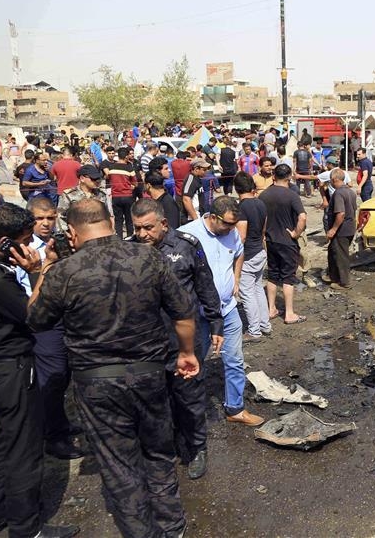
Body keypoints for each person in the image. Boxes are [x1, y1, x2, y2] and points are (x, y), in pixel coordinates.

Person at [25, 198, 198, 538]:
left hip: (97, 383)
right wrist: (187, 353)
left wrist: (43, 268)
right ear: (109, 221)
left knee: (119, 464)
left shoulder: (64, 271)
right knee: (158, 452)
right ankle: (172, 527)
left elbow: (35, 319)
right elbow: (183, 312)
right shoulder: (148, 256)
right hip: (149, 374)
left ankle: (140, 532)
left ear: (72, 231)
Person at [0, 203, 80, 538]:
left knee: (0, 444)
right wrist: (38, 271)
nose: (30, 247)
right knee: (24, 451)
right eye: (24, 240)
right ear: (4, 242)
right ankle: (27, 529)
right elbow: (34, 315)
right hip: (11, 370)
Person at [130, 198, 224, 480]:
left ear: (164, 224)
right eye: (137, 228)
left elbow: (205, 284)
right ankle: (166, 444)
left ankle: (196, 448)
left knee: (189, 397)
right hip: (146, 340)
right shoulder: (129, 249)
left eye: (148, 228)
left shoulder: (186, 245)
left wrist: (216, 321)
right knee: (155, 397)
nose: (142, 234)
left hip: (184, 339)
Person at [180, 197, 264, 428]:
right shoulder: (187, 235)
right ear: (213, 217)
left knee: (235, 360)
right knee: (194, 363)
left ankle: (235, 408)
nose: (231, 229)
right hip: (197, 313)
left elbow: (239, 253)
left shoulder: (232, 232)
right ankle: (187, 413)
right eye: (227, 224)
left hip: (227, 309)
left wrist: (235, 280)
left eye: (234, 224)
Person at [259, 164, 307, 324]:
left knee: (272, 274)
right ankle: (289, 313)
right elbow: (303, 217)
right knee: (288, 277)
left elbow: (261, 218)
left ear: (274, 176)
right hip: (287, 241)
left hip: (271, 240)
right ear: (289, 176)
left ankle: (271, 309)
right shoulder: (291, 195)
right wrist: (296, 233)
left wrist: (264, 234)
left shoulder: (264, 195)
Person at [234, 172, 271, 341]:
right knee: (257, 289)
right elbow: (263, 229)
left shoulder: (241, 208)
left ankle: (254, 331)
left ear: (236, 189)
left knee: (247, 293)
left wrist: (234, 258)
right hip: (260, 251)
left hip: (248, 254)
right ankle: (265, 325)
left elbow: (241, 236)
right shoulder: (260, 203)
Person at [325, 168, 357, 289]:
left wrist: (333, 229)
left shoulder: (338, 193)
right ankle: (334, 276)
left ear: (334, 179)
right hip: (349, 228)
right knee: (333, 251)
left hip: (341, 230)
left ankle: (344, 282)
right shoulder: (350, 192)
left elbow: (341, 213)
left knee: (341, 255)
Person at [58, 165, 110, 232]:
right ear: (82, 178)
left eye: (98, 178)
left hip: (98, 233)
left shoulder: (101, 194)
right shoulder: (69, 195)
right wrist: (66, 233)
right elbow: (61, 216)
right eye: (93, 179)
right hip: (78, 234)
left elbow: (107, 215)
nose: (97, 181)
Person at [181, 158, 212, 222]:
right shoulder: (190, 179)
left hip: (199, 214)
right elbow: (186, 199)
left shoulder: (197, 179)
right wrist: (195, 219)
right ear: (196, 169)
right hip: (192, 218)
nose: (206, 171)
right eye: (204, 170)